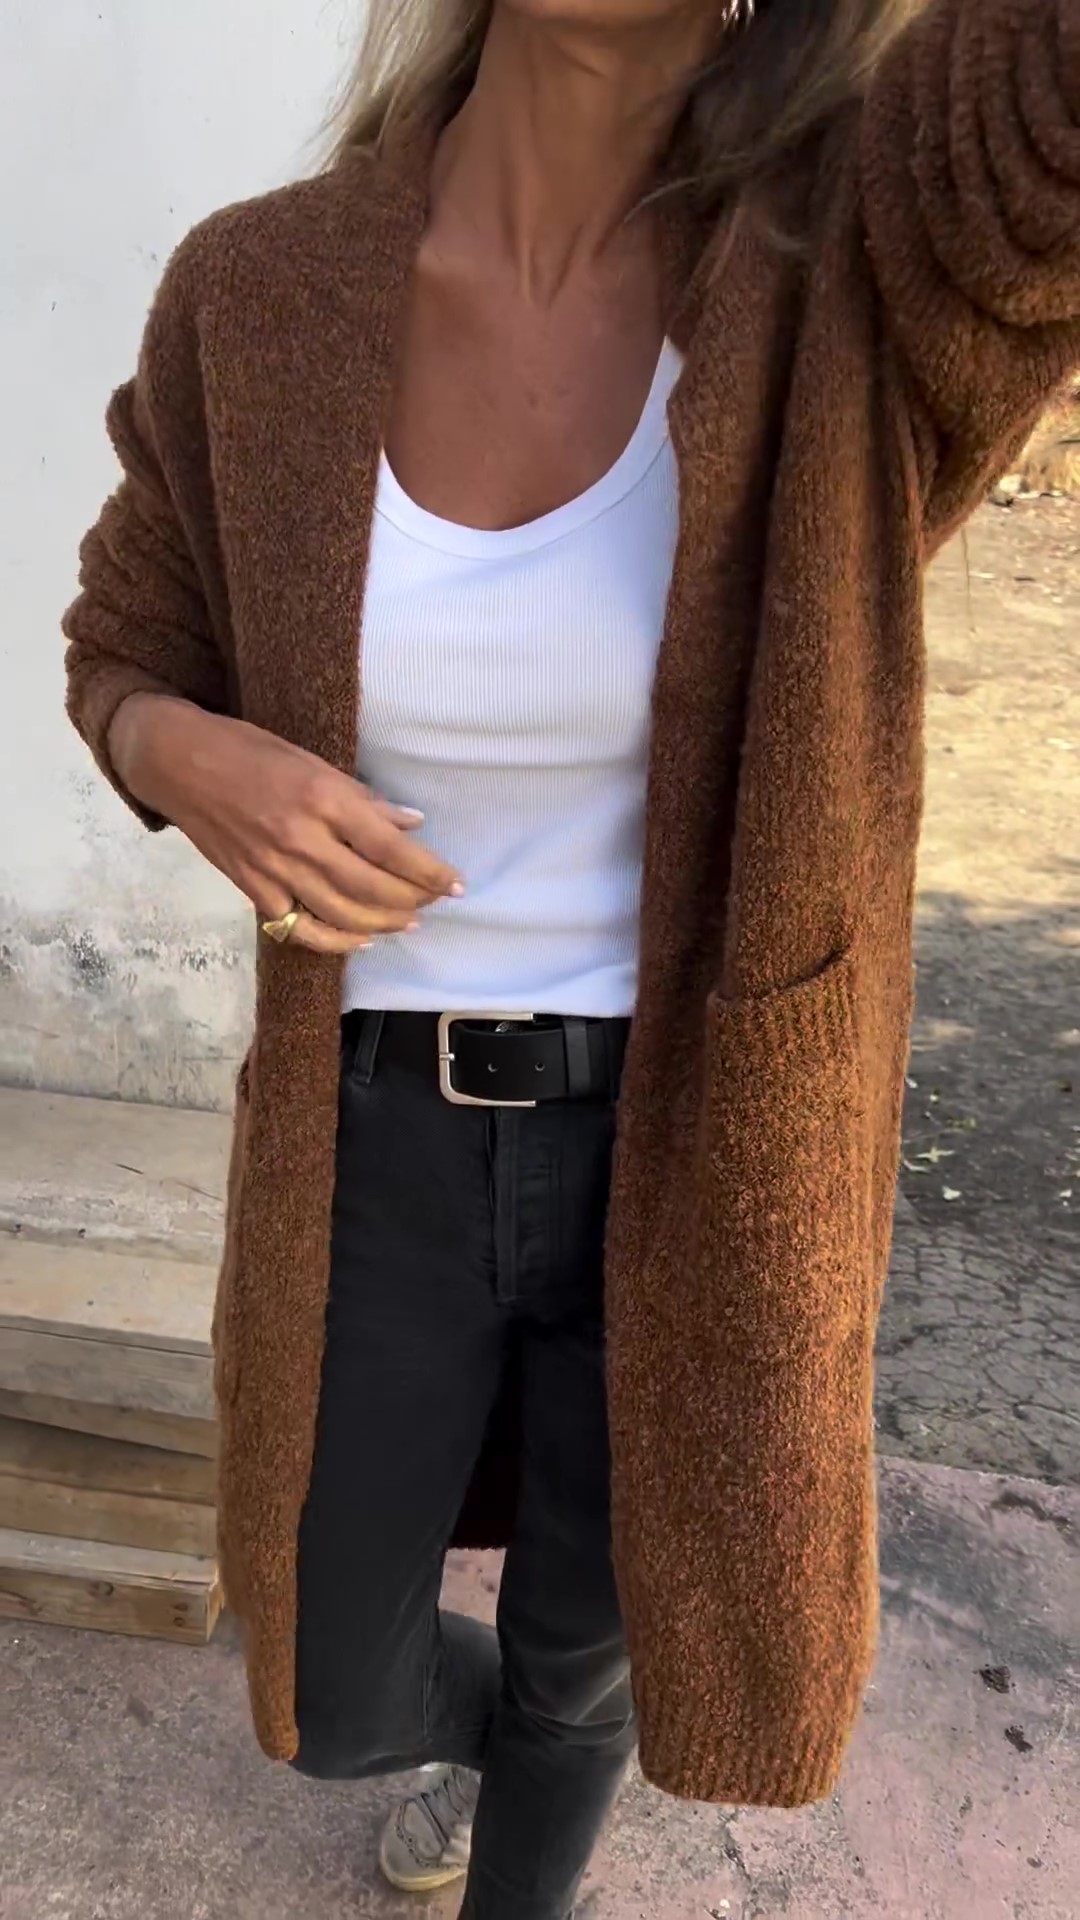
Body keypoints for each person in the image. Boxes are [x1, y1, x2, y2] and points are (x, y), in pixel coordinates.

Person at [63, 1, 1079, 1914]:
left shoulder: (855, 264)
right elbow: (126, 635)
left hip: (700, 1145)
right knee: (328, 1686)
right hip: (377, 1132)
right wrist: (179, 753)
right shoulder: (261, 289)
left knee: (589, 1644)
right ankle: (492, 1749)